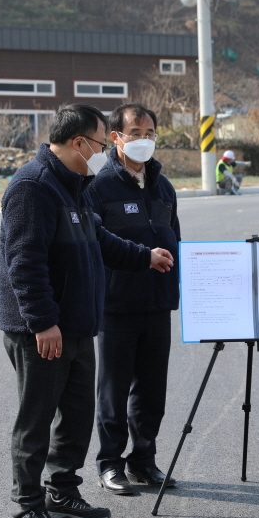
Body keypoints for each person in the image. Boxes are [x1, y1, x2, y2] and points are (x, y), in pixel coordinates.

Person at [0, 103, 175, 518]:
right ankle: (27, 507)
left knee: (76, 416)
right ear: (78, 142)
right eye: (99, 143)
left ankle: (63, 493)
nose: (101, 152)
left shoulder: (73, 185)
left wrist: (144, 257)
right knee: (36, 418)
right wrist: (42, 322)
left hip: (77, 324)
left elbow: (101, 238)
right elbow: (24, 262)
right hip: (42, 330)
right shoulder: (32, 188)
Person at [85, 104, 181, 494]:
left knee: (152, 389)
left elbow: (175, 237)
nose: (144, 140)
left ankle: (143, 460)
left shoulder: (164, 186)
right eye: (136, 132)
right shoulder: (98, 186)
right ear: (116, 137)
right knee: (114, 388)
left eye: (151, 133)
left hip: (158, 303)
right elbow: (95, 247)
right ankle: (110, 463)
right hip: (116, 306)